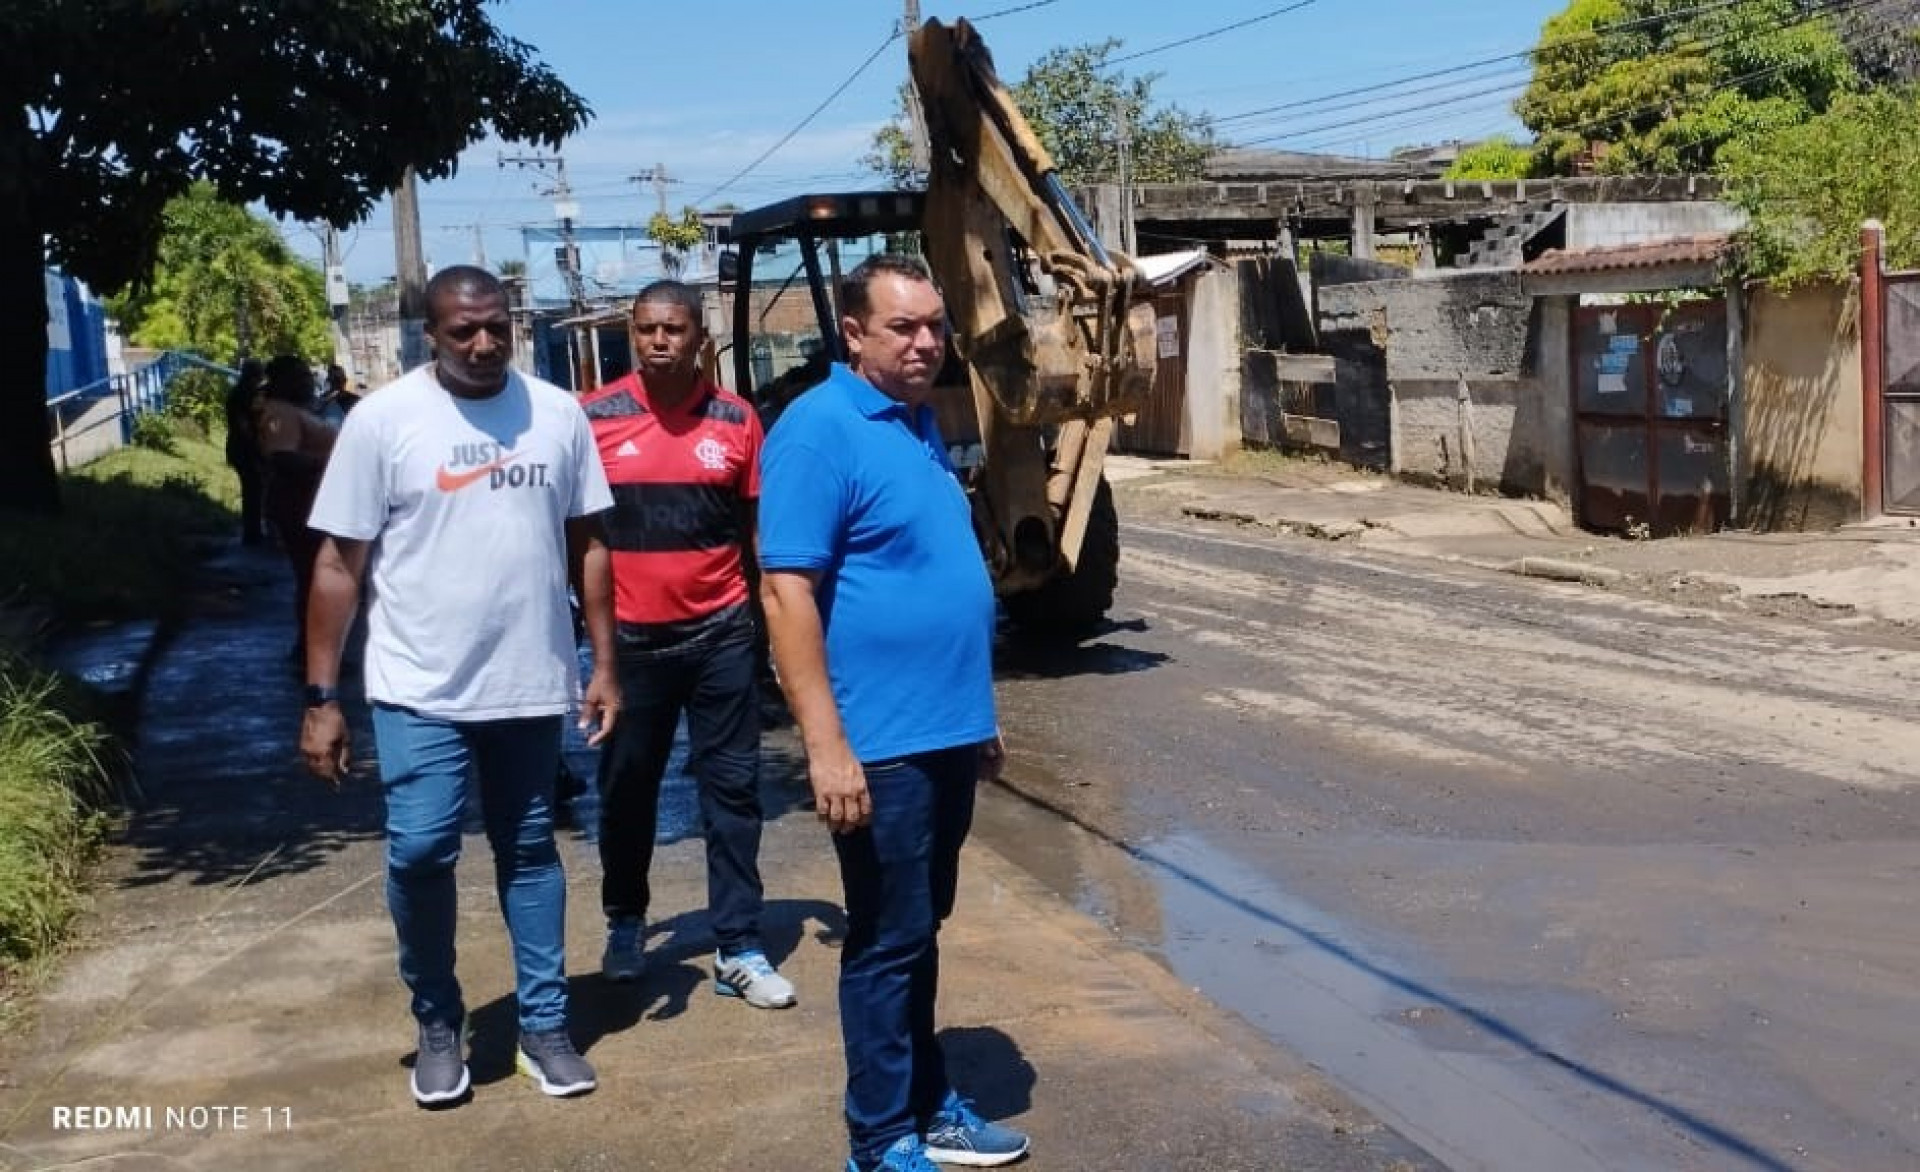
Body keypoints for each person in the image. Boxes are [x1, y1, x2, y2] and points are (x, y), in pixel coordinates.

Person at [298, 265, 621, 1108]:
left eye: (494, 328)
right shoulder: (382, 421)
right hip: (418, 688)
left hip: (527, 682)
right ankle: (440, 1022)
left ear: (511, 324)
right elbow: (339, 564)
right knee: (420, 850)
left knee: (527, 851)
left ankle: (543, 1028)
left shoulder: (556, 414)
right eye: (461, 332)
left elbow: (589, 544)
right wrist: (321, 697)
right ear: (430, 335)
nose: (481, 345)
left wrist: (604, 665)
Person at [758, 255, 1030, 1172]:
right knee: (884, 938)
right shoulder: (817, 430)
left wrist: (978, 712)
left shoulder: (917, 424)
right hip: (880, 743)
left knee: (916, 930)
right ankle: (879, 1139)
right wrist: (826, 746)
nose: (926, 343)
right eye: (904, 328)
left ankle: (927, 1103)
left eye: (935, 327)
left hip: (944, 729)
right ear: (854, 335)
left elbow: (936, 579)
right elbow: (786, 593)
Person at [577, 280, 794, 1007]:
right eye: (645, 329)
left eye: (672, 328)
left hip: (721, 637)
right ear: (632, 336)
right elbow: (578, 541)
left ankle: (738, 945)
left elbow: (759, 541)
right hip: (630, 647)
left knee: (732, 793)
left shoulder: (737, 422)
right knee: (626, 791)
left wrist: (775, 642)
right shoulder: (593, 419)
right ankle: (626, 923)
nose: (658, 340)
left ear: (700, 337)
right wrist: (596, 652)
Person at [256, 355, 336, 666]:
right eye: (301, 375)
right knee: (314, 580)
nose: (308, 380)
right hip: (301, 507)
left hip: (314, 505)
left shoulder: (295, 411)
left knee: (316, 580)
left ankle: (315, 650)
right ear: (285, 380)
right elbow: (282, 458)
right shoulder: (280, 414)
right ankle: (311, 652)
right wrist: (332, 466)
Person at [224, 358, 267, 545]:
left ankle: (253, 531)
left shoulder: (237, 392)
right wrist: (256, 446)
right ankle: (252, 534)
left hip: (237, 447)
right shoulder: (245, 394)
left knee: (252, 490)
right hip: (245, 449)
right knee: (253, 491)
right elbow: (244, 424)